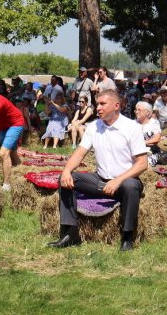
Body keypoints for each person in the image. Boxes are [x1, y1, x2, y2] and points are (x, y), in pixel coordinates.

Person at [50, 89, 148, 252]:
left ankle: (127, 238)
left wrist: (118, 180)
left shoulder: (132, 127)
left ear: (116, 106)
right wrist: (66, 170)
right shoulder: (94, 126)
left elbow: (142, 164)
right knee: (65, 178)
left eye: (103, 104)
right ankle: (70, 233)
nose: (98, 108)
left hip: (124, 182)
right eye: (97, 104)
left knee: (131, 186)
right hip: (100, 181)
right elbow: (79, 153)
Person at [134, 101, 167, 167]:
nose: (136, 112)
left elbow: (156, 138)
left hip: (149, 151)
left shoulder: (153, 123)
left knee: (143, 162)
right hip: (135, 150)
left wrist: (143, 143)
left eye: (139, 110)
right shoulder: (133, 123)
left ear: (147, 112)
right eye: (136, 110)